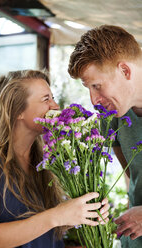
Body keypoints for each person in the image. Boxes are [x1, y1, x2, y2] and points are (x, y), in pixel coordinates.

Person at [0, 69, 109, 248]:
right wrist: (57, 215)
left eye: (53, 97)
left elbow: (43, 228)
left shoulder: (45, 159)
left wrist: (81, 212)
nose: (55, 106)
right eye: (46, 99)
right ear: (17, 111)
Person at [68, 24, 142, 248]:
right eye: (88, 88)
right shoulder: (113, 114)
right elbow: (132, 175)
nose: (93, 100)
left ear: (125, 71)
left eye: (97, 85)